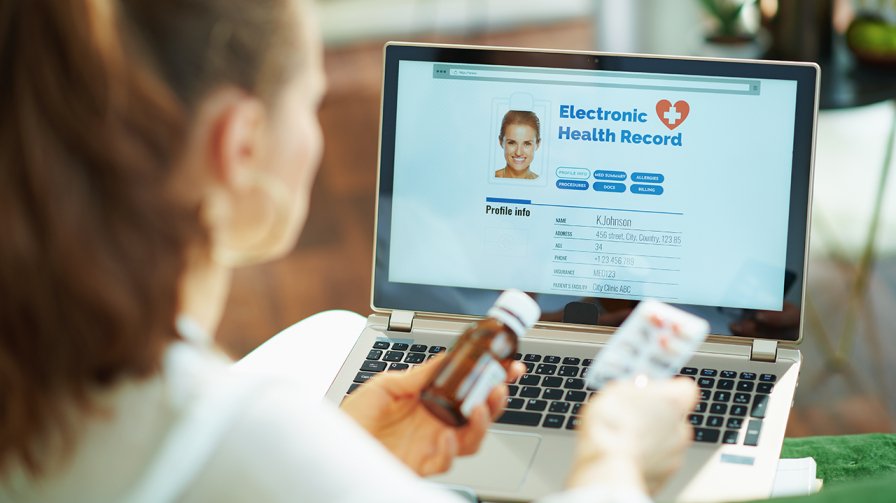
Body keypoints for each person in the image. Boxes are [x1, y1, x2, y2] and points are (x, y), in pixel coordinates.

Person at [0, 1, 698, 502]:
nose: (317, 133)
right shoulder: (232, 433)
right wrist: (614, 457)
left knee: (338, 334)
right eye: (312, 101)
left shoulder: (41, 361)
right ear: (238, 145)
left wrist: (346, 457)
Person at [495, 110, 542, 180]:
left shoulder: (542, 183)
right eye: (512, 143)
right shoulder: (487, 178)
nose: (518, 153)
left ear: (537, 144)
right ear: (501, 141)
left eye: (527, 144)